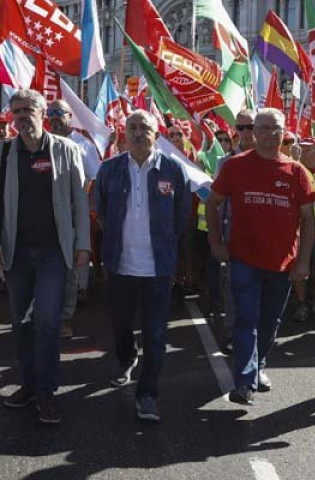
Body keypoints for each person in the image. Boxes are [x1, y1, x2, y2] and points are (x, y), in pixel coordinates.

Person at [0, 89, 90, 424]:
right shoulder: (1, 153)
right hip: (16, 253)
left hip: (54, 253)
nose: (22, 115)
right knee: (21, 323)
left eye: (29, 109)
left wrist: (82, 244)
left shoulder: (67, 149)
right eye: (16, 110)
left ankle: (46, 392)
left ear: (44, 112)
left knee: (47, 320)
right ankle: (28, 384)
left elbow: (79, 203)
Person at [205, 108, 315, 405]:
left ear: (284, 133)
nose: (269, 134)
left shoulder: (298, 172)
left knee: (269, 321)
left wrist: (304, 260)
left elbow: (309, 220)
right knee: (246, 320)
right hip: (243, 259)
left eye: (275, 129)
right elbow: (212, 204)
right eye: (263, 128)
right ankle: (244, 382)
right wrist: (215, 242)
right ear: (254, 132)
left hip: (282, 263)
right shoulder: (235, 166)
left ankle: (259, 365)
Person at [95, 110, 191, 421]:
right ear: (123, 133)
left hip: (157, 270)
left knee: (156, 335)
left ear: (156, 134)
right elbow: (102, 212)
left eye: (144, 128)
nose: (137, 133)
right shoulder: (109, 170)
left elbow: (181, 215)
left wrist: (165, 246)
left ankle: (147, 394)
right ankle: (126, 358)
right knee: (121, 326)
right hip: (120, 266)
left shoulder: (173, 170)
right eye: (132, 127)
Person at [45, 99, 98, 338]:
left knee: (70, 268)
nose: (54, 117)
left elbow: (94, 180)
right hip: (44, 217)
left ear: (69, 116)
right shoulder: (41, 143)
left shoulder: (83, 145)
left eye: (60, 113)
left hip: (73, 215)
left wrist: (91, 212)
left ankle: (65, 318)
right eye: (51, 113)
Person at [289, 137, 315, 322]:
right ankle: (301, 302)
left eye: (310, 150)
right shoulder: (293, 171)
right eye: (303, 149)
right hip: (298, 231)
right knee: (299, 269)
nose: (306, 153)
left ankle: (314, 298)